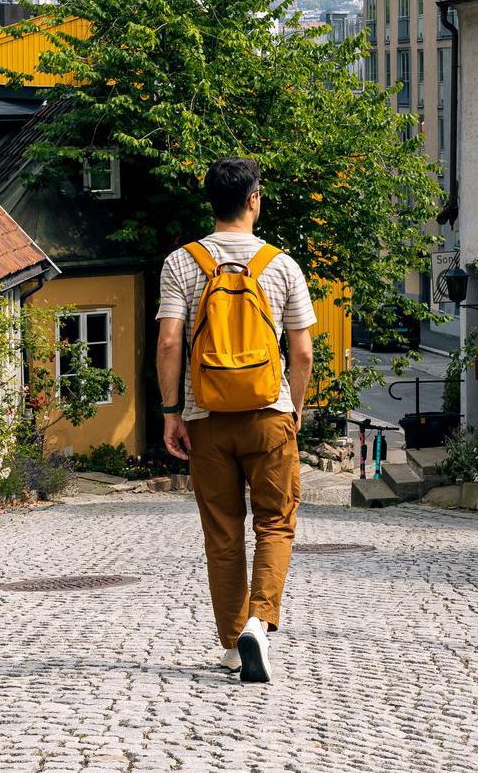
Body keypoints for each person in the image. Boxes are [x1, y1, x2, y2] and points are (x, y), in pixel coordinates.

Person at [156, 157, 316, 684]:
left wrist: (171, 412)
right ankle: (258, 621)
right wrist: (294, 406)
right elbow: (303, 352)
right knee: (275, 522)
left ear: (212, 201)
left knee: (222, 534)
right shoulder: (282, 265)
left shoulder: (181, 263)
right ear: (253, 200)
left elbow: (170, 341)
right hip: (268, 413)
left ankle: (231, 644)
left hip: (206, 416)